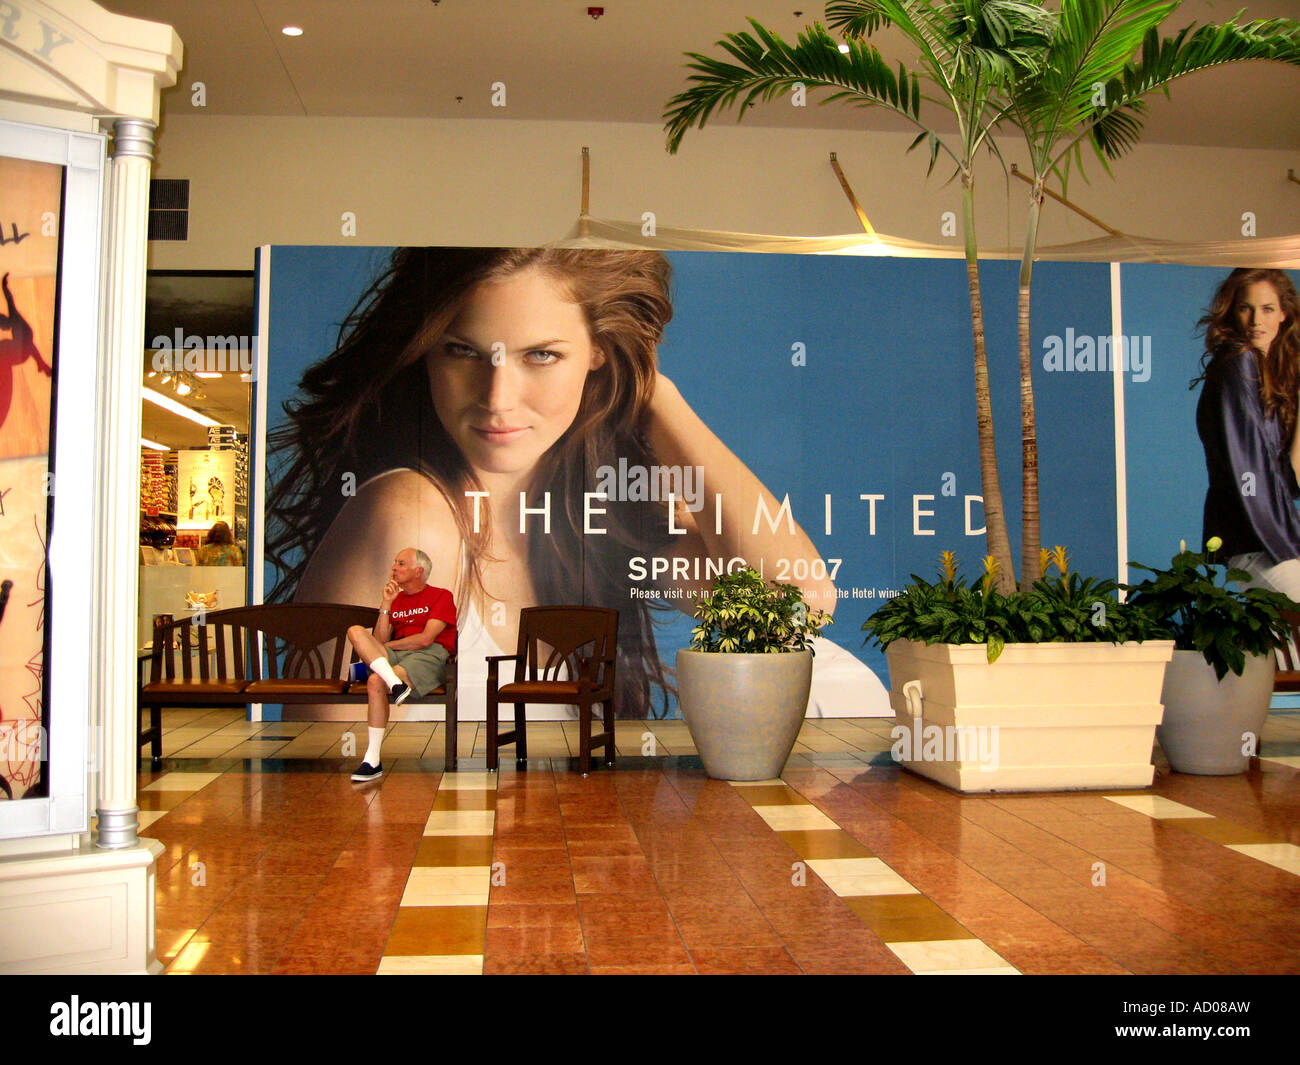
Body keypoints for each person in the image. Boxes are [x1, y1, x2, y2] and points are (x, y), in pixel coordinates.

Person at [267, 248, 888, 720]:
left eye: (542, 355)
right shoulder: (410, 514)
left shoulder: (590, 520)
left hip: (559, 868)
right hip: (444, 884)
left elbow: (796, 607)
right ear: (425, 350)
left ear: (599, 354)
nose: (497, 399)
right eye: (463, 351)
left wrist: (654, 395)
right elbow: (342, 783)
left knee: (836, 678)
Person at [1196, 267, 1300, 598]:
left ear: (1283, 314)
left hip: (1273, 537)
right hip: (1256, 538)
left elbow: (1291, 479)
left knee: (1274, 649)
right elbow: (1250, 471)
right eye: (1246, 308)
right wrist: (1286, 544)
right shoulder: (1238, 363)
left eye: (1267, 309)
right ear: (1232, 311)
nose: (1256, 320)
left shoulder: (1271, 374)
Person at [346, 547, 457, 781]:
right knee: (355, 631)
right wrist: (386, 603)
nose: (394, 568)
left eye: (401, 563)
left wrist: (389, 648)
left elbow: (426, 639)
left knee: (376, 679)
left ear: (419, 571)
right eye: (395, 563)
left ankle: (372, 758)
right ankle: (396, 686)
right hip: (396, 656)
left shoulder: (441, 596)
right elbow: (378, 640)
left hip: (427, 655)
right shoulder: (396, 599)